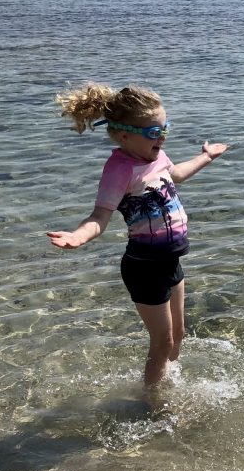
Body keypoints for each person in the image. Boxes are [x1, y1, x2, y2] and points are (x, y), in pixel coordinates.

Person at [47, 83, 228, 413]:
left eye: (165, 128)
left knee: (179, 334)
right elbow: (100, 215)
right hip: (144, 267)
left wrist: (206, 157)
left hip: (171, 260)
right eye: (154, 131)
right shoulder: (119, 170)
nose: (162, 137)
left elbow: (177, 175)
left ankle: (167, 382)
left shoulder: (156, 156)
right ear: (124, 135)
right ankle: (154, 404)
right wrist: (79, 236)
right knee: (161, 342)